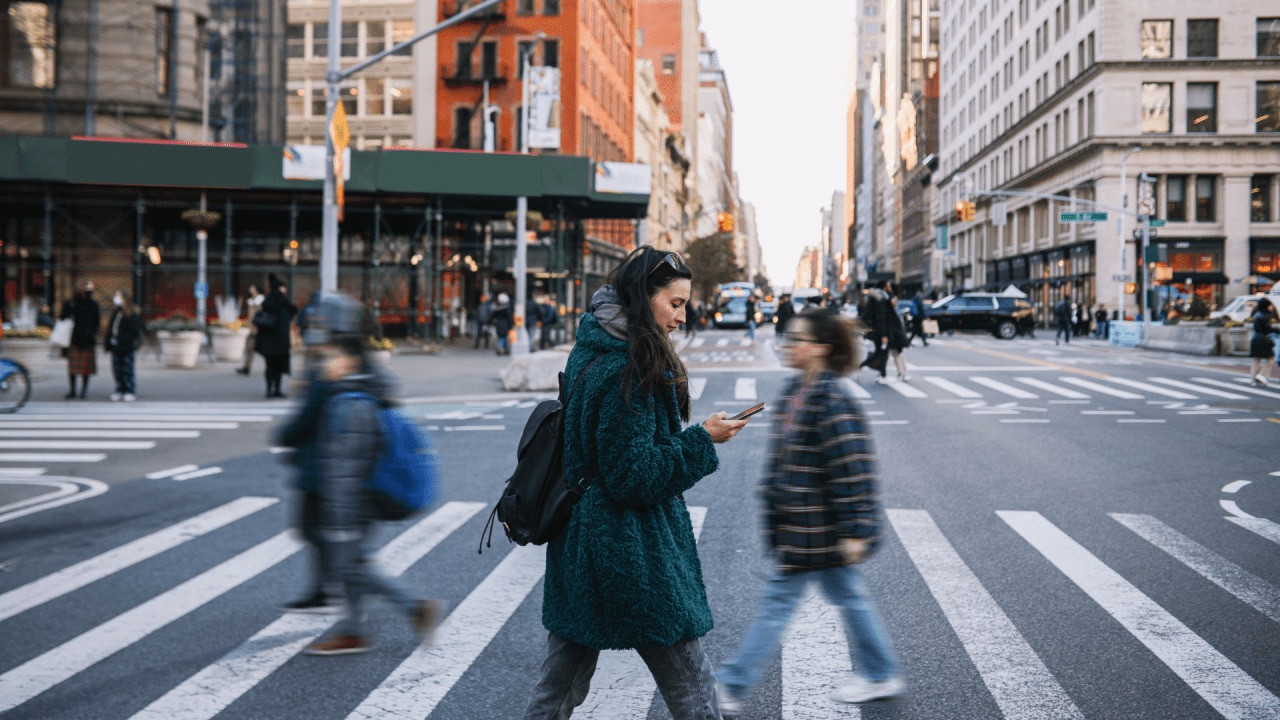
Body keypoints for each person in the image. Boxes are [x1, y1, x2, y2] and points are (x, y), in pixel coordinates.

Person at [523, 246, 749, 720]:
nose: (682, 317)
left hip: (582, 545)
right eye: (675, 303)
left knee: (558, 688)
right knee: (693, 688)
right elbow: (633, 475)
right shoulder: (631, 369)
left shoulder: (595, 344)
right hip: (632, 551)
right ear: (643, 299)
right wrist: (703, 441)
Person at [715, 308, 902, 716]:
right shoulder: (796, 393)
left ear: (818, 349)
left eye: (797, 338)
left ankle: (731, 682)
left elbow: (854, 470)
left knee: (779, 605)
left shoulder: (832, 399)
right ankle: (881, 671)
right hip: (805, 526)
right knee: (849, 597)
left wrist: (857, 531)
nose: (788, 343)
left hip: (816, 529)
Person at [272, 292, 443, 654]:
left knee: (349, 564)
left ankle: (415, 607)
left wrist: (341, 513)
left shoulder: (348, 395)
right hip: (361, 492)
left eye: (322, 328)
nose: (315, 334)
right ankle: (353, 630)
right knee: (350, 559)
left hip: (350, 496)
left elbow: (347, 465)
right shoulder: (365, 379)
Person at [255, 274, 297, 398]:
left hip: (268, 340)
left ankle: (269, 389)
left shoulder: (267, 301)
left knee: (269, 366)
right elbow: (293, 309)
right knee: (279, 367)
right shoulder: (282, 300)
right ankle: (277, 389)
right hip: (281, 340)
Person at [60, 279, 101, 399]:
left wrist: (91, 332)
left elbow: (96, 322)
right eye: (86, 286)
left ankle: (84, 391)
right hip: (74, 338)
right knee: (73, 368)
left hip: (87, 339)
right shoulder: (72, 303)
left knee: (85, 369)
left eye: (89, 287)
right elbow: (63, 317)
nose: (88, 289)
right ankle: (73, 390)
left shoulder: (92, 304)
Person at [103, 290, 143, 402]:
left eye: (119, 297)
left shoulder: (132, 313)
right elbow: (111, 328)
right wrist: (109, 342)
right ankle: (119, 389)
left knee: (127, 370)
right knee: (117, 370)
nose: (116, 299)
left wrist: (126, 342)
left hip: (126, 346)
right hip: (115, 345)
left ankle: (129, 390)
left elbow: (134, 332)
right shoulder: (116, 312)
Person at [858, 282, 892, 383]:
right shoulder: (880, 299)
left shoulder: (876, 298)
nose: (890, 288)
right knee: (883, 353)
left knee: (879, 352)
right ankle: (883, 375)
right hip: (880, 331)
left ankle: (862, 365)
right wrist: (884, 334)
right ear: (884, 287)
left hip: (876, 330)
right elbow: (881, 318)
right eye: (889, 286)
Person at [236, 284, 265, 376]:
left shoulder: (262, 302)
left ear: (256, 290)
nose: (250, 289)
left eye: (252, 288)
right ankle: (246, 368)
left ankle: (273, 368)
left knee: (265, 350)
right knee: (249, 349)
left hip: (260, 330)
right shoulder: (251, 302)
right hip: (252, 330)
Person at [1249, 297, 1276, 387]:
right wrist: (1277, 330)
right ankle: (1261, 375)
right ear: (1266, 306)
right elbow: (1268, 328)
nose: (1271, 307)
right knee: (1271, 358)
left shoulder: (1257, 314)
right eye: (1270, 305)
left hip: (1256, 338)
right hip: (1263, 339)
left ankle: (1253, 379)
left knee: (1257, 359)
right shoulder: (1265, 315)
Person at [884, 292, 909, 381]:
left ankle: (901, 372)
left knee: (895, 355)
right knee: (892, 355)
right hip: (893, 337)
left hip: (895, 337)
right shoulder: (890, 311)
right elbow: (892, 325)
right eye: (895, 300)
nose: (896, 302)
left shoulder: (894, 310)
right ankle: (882, 373)